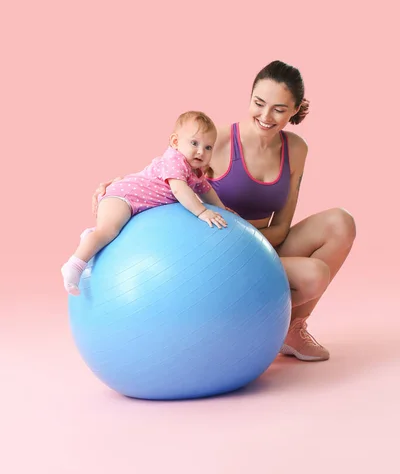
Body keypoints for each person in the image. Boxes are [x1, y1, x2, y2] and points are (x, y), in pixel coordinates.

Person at [93, 61, 356, 361]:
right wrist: (116, 187)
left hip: (262, 242)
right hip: (218, 251)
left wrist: (251, 241)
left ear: (295, 110)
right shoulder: (213, 140)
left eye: (279, 109)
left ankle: (291, 329)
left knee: (341, 222)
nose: (266, 116)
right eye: (259, 103)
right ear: (250, 97)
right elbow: (163, 175)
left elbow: (283, 225)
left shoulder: (296, 149)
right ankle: (241, 322)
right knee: (312, 275)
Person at [62, 111, 228, 296]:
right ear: (175, 142)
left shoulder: (195, 171)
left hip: (136, 204)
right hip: (124, 197)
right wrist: (202, 212)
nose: (200, 151)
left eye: (208, 147)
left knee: (110, 231)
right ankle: (74, 266)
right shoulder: (175, 161)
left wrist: (223, 210)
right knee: (108, 231)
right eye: (194, 143)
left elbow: (206, 191)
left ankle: (90, 238)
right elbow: (179, 190)